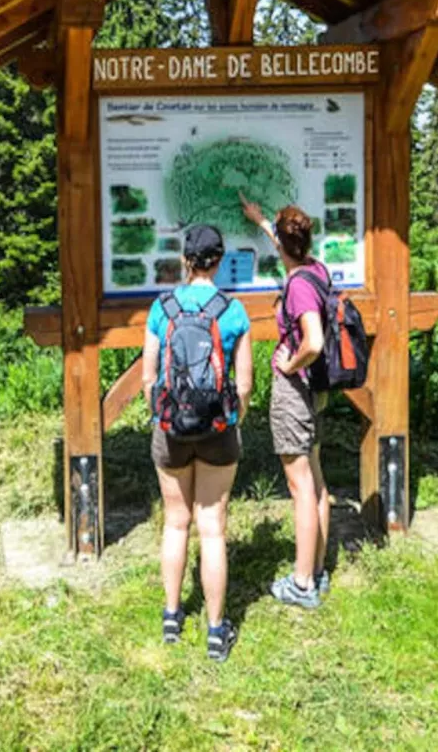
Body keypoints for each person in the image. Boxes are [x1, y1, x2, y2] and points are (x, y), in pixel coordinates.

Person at [142, 223, 253, 662]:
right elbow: (244, 386)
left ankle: (171, 617)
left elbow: (150, 376)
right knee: (212, 529)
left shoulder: (161, 307)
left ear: (186, 260)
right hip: (218, 435)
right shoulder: (234, 311)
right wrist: (229, 420)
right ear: (220, 261)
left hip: (170, 431)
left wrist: (163, 416)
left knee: (175, 523)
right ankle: (214, 629)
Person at [242, 198, 332, 609]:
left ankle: (301, 584)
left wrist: (291, 364)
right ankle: (316, 570)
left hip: (296, 393)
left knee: (300, 486)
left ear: (283, 245)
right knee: (315, 478)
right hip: (316, 391)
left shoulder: (297, 286)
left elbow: (313, 340)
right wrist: (261, 221)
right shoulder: (314, 270)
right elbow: (288, 246)